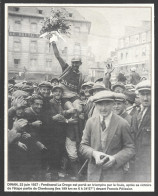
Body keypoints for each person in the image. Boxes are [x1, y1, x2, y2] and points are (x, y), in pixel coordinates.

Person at [79, 90, 135, 181]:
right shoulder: (90, 122)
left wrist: (115, 158)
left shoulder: (122, 123)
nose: (103, 108)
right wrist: (94, 153)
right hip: (94, 175)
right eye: (100, 104)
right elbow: (83, 146)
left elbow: (130, 148)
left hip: (114, 176)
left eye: (107, 104)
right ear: (95, 105)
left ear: (113, 104)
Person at [132, 80, 151, 181]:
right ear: (138, 95)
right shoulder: (136, 112)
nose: (145, 98)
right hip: (137, 161)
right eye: (142, 94)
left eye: (148, 94)